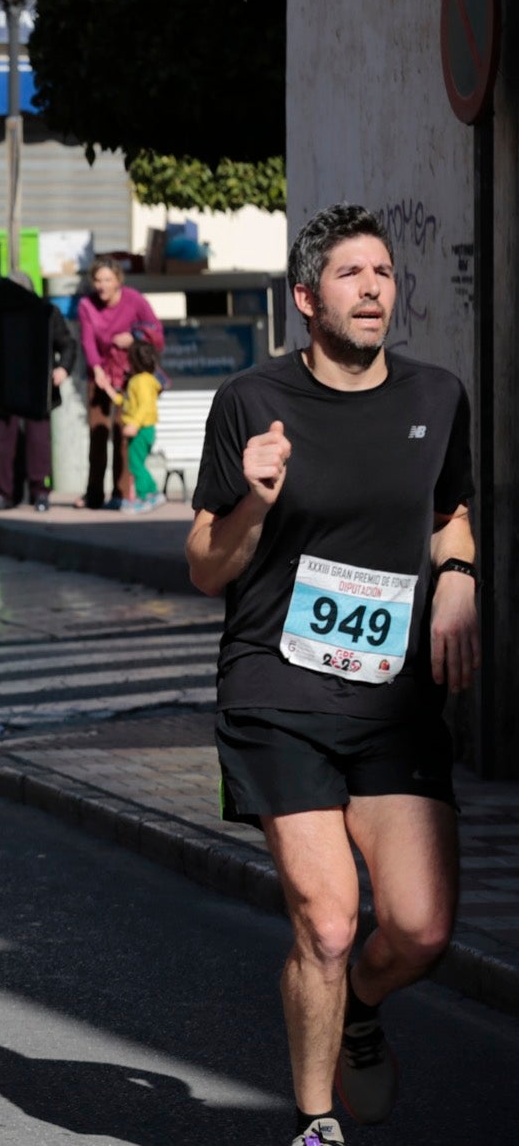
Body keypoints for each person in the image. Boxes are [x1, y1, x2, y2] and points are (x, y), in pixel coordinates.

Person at [185, 204, 478, 1146]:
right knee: (327, 917)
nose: (374, 289)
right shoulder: (250, 405)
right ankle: (315, 1123)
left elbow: (451, 514)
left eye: (385, 273)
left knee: (423, 930)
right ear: (307, 298)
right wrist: (254, 501)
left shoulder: (438, 396)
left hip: (393, 698)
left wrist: (460, 582)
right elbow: (204, 564)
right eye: (352, 275)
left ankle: (355, 1005)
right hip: (280, 689)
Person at [76, 261, 163, 510]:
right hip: (100, 374)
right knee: (98, 432)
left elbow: (156, 331)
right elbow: (88, 341)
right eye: (98, 280)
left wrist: (133, 337)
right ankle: (93, 494)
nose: (102, 285)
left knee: (122, 433)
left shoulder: (134, 300)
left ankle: (122, 494)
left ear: (118, 281)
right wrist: (96, 369)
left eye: (107, 280)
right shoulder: (86, 305)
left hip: (129, 375)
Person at [0, 272, 78, 512]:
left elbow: (67, 343)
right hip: (6, 386)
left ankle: (40, 491)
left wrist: (62, 369)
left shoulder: (47, 312)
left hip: (37, 387)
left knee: (37, 442)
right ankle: (3, 493)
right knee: (4, 443)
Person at [119, 338, 164, 514]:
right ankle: (145, 495)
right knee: (136, 463)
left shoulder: (140, 381)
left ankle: (149, 493)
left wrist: (134, 424)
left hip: (141, 429)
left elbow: (144, 405)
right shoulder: (146, 380)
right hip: (144, 429)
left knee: (135, 464)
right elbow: (128, 402)